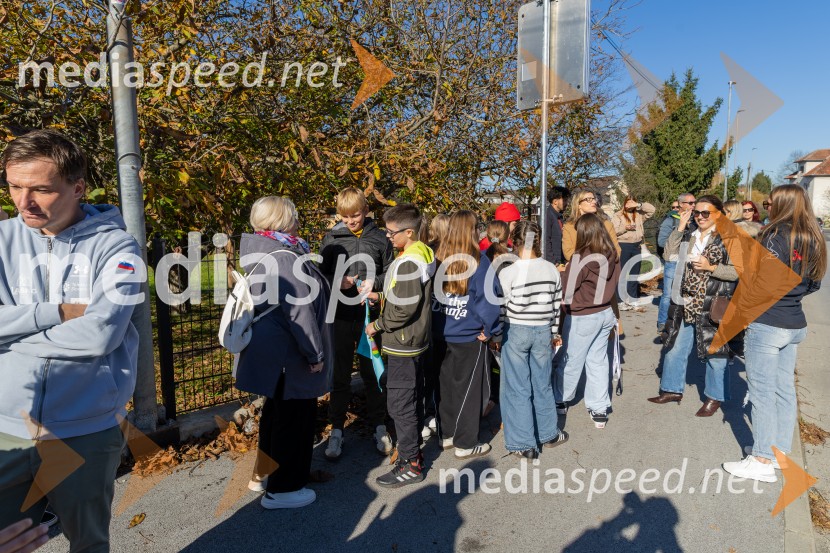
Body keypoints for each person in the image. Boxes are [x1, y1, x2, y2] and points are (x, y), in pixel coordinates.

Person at [0, 130, 141, 549]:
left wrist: (12, 337)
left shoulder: (119, 248)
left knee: (89, 543)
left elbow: (100, 334)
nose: (23, 202)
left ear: (77, 187)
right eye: (13, 186)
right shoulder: (2, 240)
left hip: (85, 429)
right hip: (6, 427)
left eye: (41, 189)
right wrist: (57, 312)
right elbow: (83, 325)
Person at [234, 196, 333, 509]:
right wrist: (315, 354)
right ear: (281, 220)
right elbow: (300, 313)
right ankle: (285, 489)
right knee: (295, 421)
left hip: (273, 352)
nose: (298, 220)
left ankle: (263, 476)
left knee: (276, 416)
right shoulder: (286, 257)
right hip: (291, 354)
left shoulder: (260, 251)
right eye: (294, 215)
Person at [723, 185, 827, 482]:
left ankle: (761, 459)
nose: (766, 206)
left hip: (768, 323)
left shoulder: (774, 235)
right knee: (783, 389)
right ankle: (778, 450)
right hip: (794, 321)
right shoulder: (813, 237)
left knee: (762, 393)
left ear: (780, 204)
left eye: (769, 202)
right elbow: (815, 283)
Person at [319, 187, 394, 461]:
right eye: (346, 216)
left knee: (372, 373)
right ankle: (336, 429)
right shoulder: (331, 239)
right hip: (340, 317)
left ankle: (379, 425)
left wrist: (377, 284)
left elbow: (391, 272)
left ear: (366, 211)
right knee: (339, 376)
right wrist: (336, 282)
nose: (351, 221)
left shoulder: (380, 238)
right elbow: (319, 275)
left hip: (369, 320)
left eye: (356, 215)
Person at [648, 195, 739, 417]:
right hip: (686, 302)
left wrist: (711, 267)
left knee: (715, 353)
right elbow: (669, 254)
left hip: (714, 303)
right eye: (696, 212)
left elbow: (738, 272)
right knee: (675, 346)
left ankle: (714, 397)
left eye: (705, 213)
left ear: (718, 214)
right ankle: (671, 389)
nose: (699, 217)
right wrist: (680, 226)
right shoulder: (690, 235)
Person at [365, 204, 436, 487]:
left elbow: (404, 309)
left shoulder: (408, 261)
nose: (387, 236)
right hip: (412, 340)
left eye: (392, 232)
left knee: (400, 405)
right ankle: (411, 452)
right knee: (409, 399)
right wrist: (380, 293)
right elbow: (404, 294)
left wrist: (377, 325)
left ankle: (411, 463)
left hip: (403, 343)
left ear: (409, 232)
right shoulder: (419, 253)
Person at [432, 210, 501, 459]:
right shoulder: (480, 262)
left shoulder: (438, 257)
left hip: (442, 331)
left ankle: (448, 434)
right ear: (472, 231)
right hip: (467, 333)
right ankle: (465, 442)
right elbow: (488, 301)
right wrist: (492, 330)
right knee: (470, 391)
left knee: (446, 386)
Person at [497, 221, 568, 458]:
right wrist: (555, 332)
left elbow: (502, 307)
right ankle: (548, 433)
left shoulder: (508, 272)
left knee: (517, 387)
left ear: (515, 243)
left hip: (516, 329)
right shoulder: (550, 269)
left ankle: (522, 443)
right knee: (542, 383)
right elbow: (557, 305)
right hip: (543, 329)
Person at [555, 214, 622, 429]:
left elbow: (567, 291)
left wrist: (563, 274)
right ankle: (599, 408)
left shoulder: (579, 258)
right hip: (605, 313)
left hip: (583, 315)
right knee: (598, 360)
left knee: (571, 360)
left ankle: (561, 398)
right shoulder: (612, 255)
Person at [657, 193, 696, 332]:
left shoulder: (696, 221)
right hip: (673, 262)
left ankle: (682, 324)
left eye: (694, 203)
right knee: (668, 294)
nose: (693, 205)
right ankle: (662, 323)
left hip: (690, 263)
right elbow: (661, 242)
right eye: (690, 203)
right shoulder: (670, 221)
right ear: (681, 204)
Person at [612, 195, 655, 308]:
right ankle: (620, 300)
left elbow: (652, 210)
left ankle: (632, 297)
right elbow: (613, 231)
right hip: (623, 245)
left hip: (637, 245)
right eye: (628, 202)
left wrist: (638, 205)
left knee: (634, 273)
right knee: (621, 273)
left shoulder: (639, 215)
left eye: (632, 202)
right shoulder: (618, 215)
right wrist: (625, 228)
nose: (630, 204)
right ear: (624, 203)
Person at [562, 189, 621, 262]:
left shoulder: (606, 224)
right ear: (578, 204)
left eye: (594, 199)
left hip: (605, 268)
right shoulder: (569, 227)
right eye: (589, 199)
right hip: (579, 269)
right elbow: (568, 252)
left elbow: (616, 250)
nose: (594, 202)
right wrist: (588, 263)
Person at [545, 186, 571, 266]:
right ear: (555, 201)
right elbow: (545, 240)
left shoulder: (559, 216)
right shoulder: (548, 216)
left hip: (561, 260)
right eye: (564, 200)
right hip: (554, 263)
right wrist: (553, 262)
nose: (567, 203)